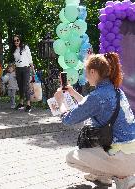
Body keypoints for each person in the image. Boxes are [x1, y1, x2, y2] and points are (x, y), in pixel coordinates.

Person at [54, 52, 135, 189]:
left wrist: (60, 102)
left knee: (71, 158)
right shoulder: (116, 90)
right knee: (95, 137)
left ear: (93, 71)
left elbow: (68, 119)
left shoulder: (97, 96)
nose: (85, 77)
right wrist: (73, 93)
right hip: (131, 152)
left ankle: (122, 177)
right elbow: (90, 105)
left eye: (85, 72)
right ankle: (107, 177)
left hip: (122, 159)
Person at [12, 35, 35, 112]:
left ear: (20, 40)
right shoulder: (15, 50)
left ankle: (28, 105)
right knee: (20, 86)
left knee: (25, 86)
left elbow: (30, 58)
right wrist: (15, 70)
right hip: (18, 69)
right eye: (14, 41)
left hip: (26, 68)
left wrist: (33, 69)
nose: (16, 42)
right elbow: (16, 62)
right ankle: (21, 103)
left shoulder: (25, 47)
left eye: (17, 40)